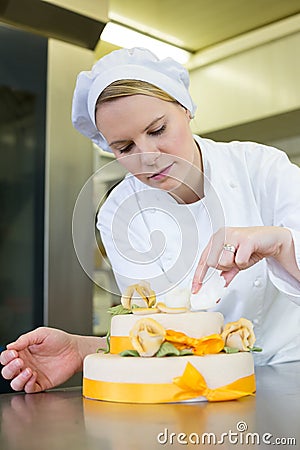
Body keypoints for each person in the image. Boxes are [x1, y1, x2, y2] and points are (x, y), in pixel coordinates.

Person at [1, 47, 300, 393]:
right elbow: (159, 334)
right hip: (196, 387)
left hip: (292, 371)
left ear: (185, 108)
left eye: (157, 130)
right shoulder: (120, 213)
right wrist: (85, 349)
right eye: (125, 148)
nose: (148, 158)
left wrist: (282, 244)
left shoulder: (261, 168)